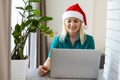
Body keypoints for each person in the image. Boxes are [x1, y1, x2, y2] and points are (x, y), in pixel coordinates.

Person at [38, 3, 95, 76]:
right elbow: (50, 60)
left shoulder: (89, 40)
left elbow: (91, 63)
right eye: (69, 21)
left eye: (76, 21)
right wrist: (44, 68)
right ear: (65, 23)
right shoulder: (57, 39)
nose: (72, 24)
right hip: (61, 75)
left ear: (80, 23)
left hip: (82, 76)